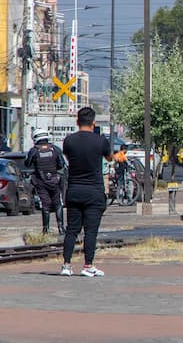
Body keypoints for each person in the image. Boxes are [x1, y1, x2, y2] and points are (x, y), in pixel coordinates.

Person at [60, 107, 114, 277]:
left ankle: (66, 265)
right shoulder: (100, 141)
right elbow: (109, 157)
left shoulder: (69, 141)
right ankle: (88, 265)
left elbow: (68, 158)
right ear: (94, 123)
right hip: (94, 192)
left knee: (72, 230)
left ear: (77, 122)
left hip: (74, 190)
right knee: (91, 231)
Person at [25, 129, 66, 234]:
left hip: (41, 181)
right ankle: (61, 227)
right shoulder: (55, 149)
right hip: (55, 180)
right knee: (58, 203)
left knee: (45, 204)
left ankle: (46, 229)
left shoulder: (34, 150)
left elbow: (27, 164)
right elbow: (61, 164)